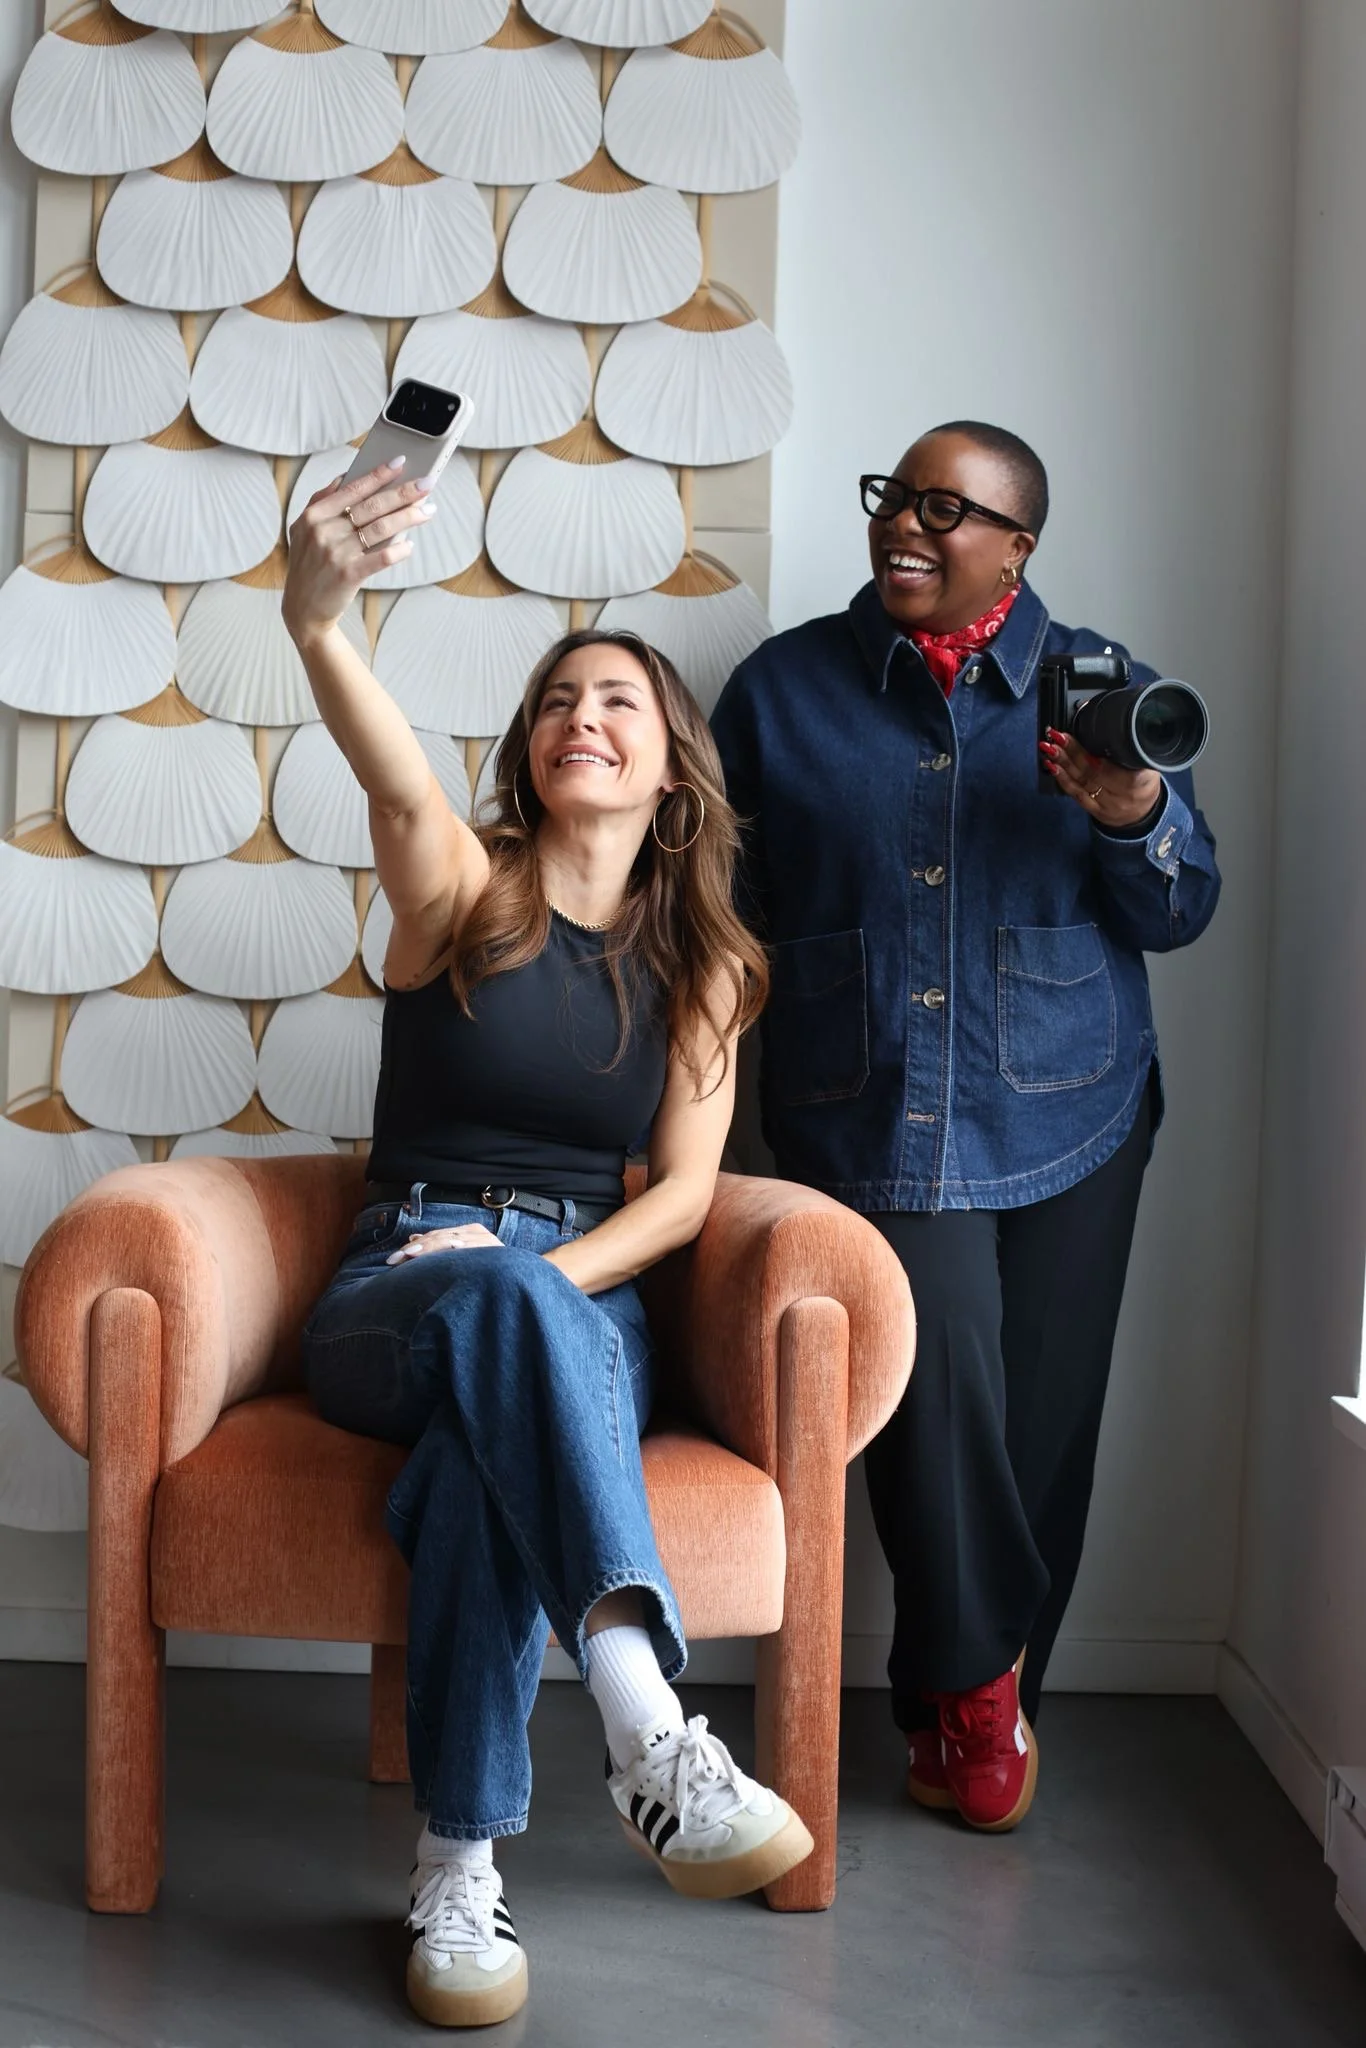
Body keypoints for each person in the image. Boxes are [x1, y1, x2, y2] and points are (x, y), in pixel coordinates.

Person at [282, 458, 812, 2029]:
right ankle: (651, 1728)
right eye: (555, 700)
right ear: (527, 749)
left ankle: (458, 1870)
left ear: (670, 769)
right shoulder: (462, 893)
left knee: (471, 1478)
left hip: (563, 1304)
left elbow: (679, 1197)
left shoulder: (707, 964)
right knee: (479, 1347)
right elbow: (390, 783)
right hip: (390, 1295)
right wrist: (319, 618)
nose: (580, 716)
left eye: (619, 703)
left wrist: (524, 1280)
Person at [710, 421, 1220, 1836]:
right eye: (894, 498)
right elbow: (717, 912)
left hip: (1072, 1096)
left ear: (1016, 543)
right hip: (863, 1095)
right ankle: (969, 1682)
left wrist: (1129, 811)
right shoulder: (782, 690)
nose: (905, 528)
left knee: (1044, 1429)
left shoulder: (1102, 689)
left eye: (947, 508)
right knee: (934, 1402)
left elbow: (1178, 913)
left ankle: (983, 1713)